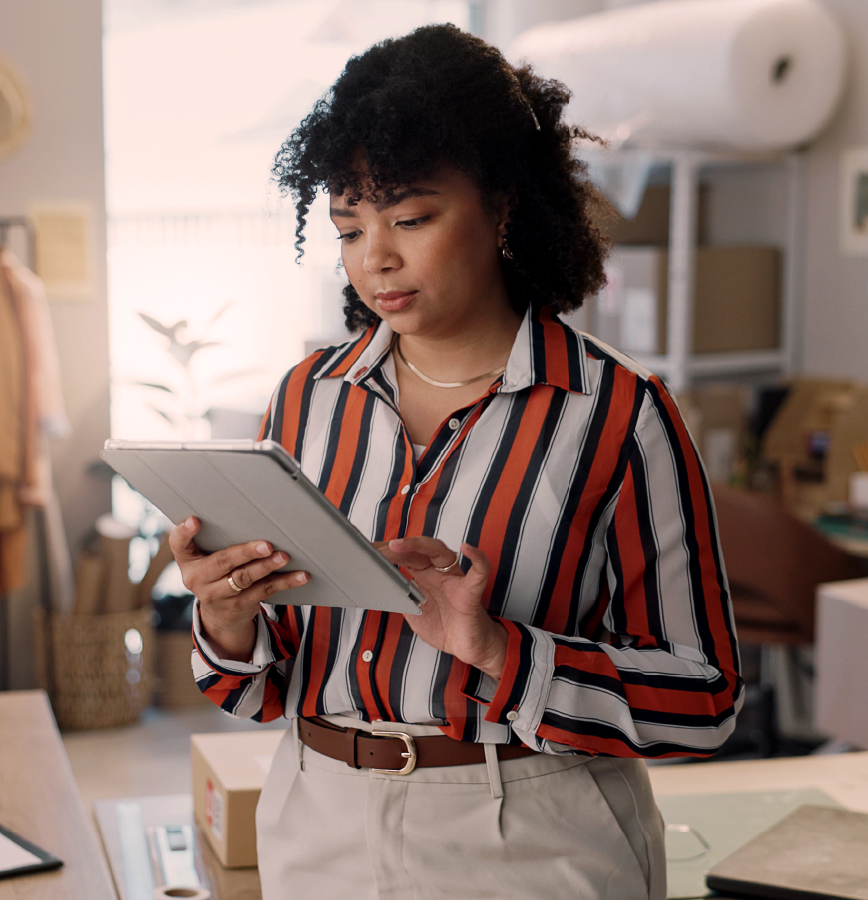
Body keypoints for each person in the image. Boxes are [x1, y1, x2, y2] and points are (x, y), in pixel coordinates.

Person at [166, 23, 739, 900]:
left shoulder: (619, 414)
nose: (376, 259)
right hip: (318, 822)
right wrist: (229, 618)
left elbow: (705, 700)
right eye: (350, 228)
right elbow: (257, 690)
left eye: (411, 218)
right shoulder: (306, 400)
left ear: (504, 205)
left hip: (530, 834)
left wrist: (503, 652)